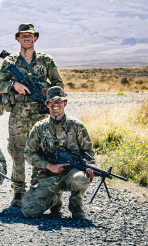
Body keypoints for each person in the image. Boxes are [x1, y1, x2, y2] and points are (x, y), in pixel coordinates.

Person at [0, 23, 64, 207]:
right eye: (23, 36)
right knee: (17, 153)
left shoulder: (46, 61)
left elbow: (58, 85)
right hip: (18, 115)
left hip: (40, 116)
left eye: (30, 35)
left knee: (40, 153)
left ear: (35, 38)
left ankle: (37, 189)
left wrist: (49, 98)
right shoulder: (10, 62)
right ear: (17, 39)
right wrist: (13, 85)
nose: (27, 38)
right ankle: (18, 192)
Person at [22, 86, 95, 220]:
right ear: (47, 104)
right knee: (28, 211)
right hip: (48, 175)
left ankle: (76, 206)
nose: (55, 105)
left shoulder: (77, 126)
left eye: (59, 102)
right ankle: (54, 199)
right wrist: (49, 166)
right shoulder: (39, 127)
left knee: (81, 178)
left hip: (71, 174)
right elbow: (28, 153)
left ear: (65, 103)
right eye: (52, 102)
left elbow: (88, 151)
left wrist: (90, 166)